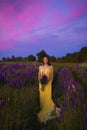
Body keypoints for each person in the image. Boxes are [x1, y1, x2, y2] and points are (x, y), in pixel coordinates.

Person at [37, 56, 60, 124]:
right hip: (41, 84)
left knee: (47, 96)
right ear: (43, 60)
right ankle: (42, 107)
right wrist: (40, 82)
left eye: (46, 59)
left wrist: (46, 82)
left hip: (48, 84)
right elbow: (39, 75)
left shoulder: (50, 67)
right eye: (44, 59)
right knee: (42, 96)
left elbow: (51, 76)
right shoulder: (40, 67)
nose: (45, 60)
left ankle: (47, 108)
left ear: (48, 60)